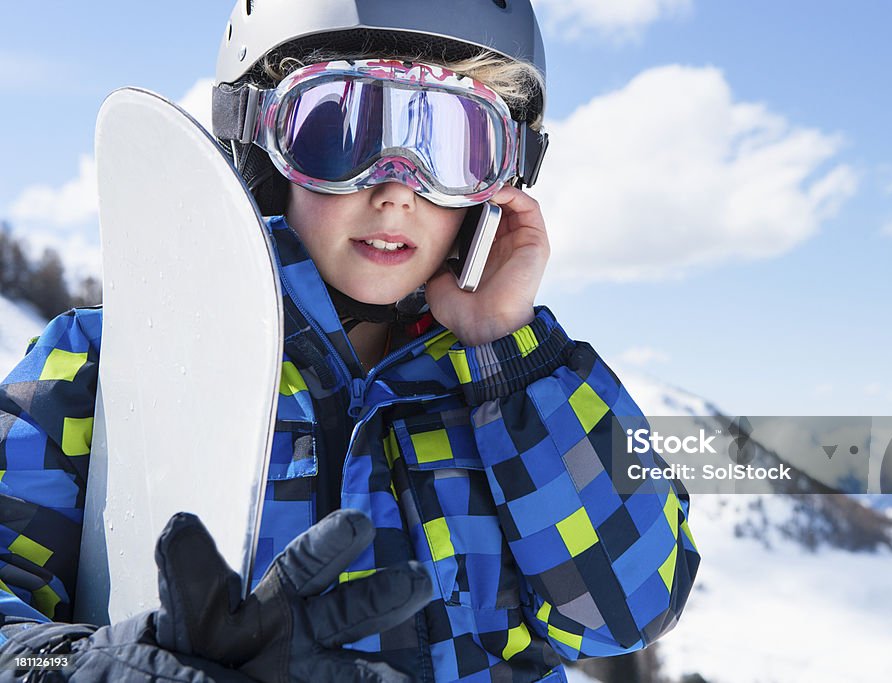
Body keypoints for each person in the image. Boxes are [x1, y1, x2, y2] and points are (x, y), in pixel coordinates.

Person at [0, 1, 701, 681]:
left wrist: (508, 351)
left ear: (497, 181)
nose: (397, 189)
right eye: (340, 130)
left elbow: (630, 606)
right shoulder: (108, 366)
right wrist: (86, 668)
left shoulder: (520, 394)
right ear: (265, 150)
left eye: (451, 145)